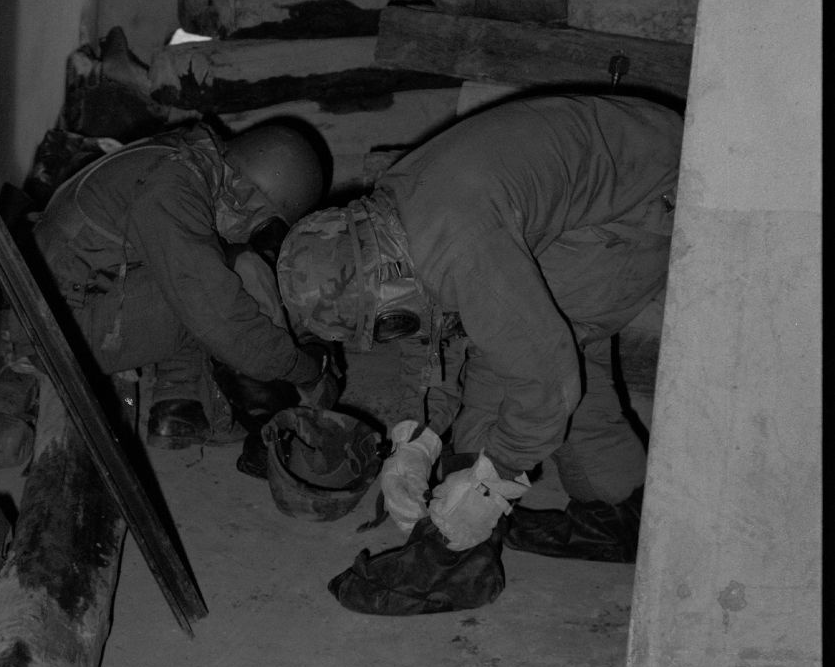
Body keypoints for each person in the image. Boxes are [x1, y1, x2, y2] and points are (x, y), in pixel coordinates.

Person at [276, 93, 683, 562]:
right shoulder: (390, 222)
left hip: (649, 191)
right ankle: (621, 504)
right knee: (524, 341)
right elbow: (428, 328)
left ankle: (598, 514)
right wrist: (415, 437)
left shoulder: (462, 247)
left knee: (535, 355)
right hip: (609, 168)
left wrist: (494, 480)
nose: (395, 334)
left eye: (388, 325)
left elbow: (546, 380)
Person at [31, 118, 338, 453]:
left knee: (205, 270)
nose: (254, 234)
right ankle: (219, 413)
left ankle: (178, 405)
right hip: (51, 333)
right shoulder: (172, 191)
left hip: (62, 302)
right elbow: (221, 319)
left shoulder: (188, 160)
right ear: (247, 195)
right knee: (223, 292)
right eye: (265, 227)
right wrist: (306, 370)